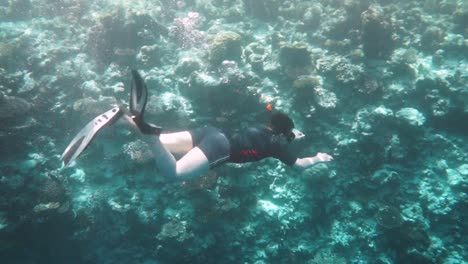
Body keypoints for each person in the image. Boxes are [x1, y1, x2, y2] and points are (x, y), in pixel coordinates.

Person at [61, 70, 333, 181]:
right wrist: (319, 158)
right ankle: (150, 132)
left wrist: (290, 133)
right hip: (221, 148)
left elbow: (278, 124)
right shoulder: (277, 146)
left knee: (153, 141)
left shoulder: (264, 128)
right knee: (174, 174)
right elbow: (299, 165)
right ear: (285, 134)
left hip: (211, 132)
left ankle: (121, 118)